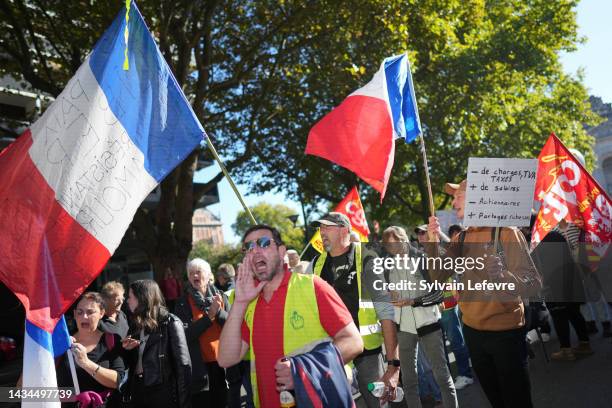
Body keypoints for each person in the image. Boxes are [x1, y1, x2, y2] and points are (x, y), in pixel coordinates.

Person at [217, 224, 363, 408]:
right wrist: (239, 302)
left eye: (263, 243)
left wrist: (302, 369)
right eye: (249, 248)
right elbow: (226, 358)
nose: (255, 251)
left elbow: (354, 342)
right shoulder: (249, 304)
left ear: (281, 251)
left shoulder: (313, 287)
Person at [426, 179, 542, 408]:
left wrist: (502, 276)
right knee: (496, 400)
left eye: (458, 196)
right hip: (473, 333)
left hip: (506, 334)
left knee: (517, 401)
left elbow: (533, 283)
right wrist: (432, 240)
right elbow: (437, 275)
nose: (453, 202)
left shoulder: (507, 232)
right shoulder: (462, 238)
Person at [309, 212, 401, 407]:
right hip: (334, 354)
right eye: (320, 228)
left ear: (344, 230)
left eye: (327, 227)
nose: (321, 232)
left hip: (368, 354)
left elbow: (386, 312)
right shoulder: (316, 264)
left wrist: (393, 366)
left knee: (378, 403)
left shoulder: (367, 258)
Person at [382, 226, 458, 408]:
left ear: (404, 240)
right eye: (388, 246)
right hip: (404, 328)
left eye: (394, 244)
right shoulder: (386, 267)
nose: (391, 249)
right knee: (409, 380)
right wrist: (387, 293)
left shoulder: (423, 259)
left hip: (429, 323)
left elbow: (439, 295)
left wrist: (412, 302)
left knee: (442, 376)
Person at [122, 279, 191, 408]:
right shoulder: (135, 324)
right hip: (139, 388)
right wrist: (128, 349)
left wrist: (184, 403)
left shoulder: (170, 322)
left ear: (142, 298)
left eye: (130, 296)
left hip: (162, 392)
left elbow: (183, 367)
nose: (127, 300)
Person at [175, 258, 229, 407]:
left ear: (208, 275)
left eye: (198, 272)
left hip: (223, 363)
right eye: (191, 273)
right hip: (199, 367)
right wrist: (208, 317)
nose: (194, 276)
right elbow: (184, 335)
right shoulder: (182, 303)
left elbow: (233, 326)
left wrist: (218, 312)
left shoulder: (221, 296)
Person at [56, 292, 125, 407]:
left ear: (101, 313)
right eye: (80, 312)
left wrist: (86, 363)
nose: (84, 317)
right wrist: (74, 397)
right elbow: (42, 384)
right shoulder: (62, 344)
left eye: (90, 312)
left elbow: (116, 381)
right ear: (74, 314)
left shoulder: (112, 340)